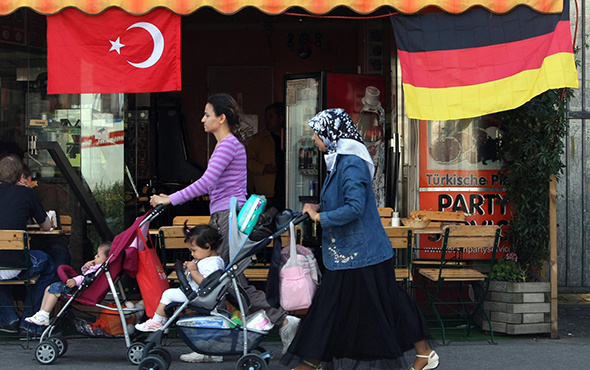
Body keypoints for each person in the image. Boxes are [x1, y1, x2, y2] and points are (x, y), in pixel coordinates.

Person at [282, 108, 439, 370]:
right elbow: (343, 201)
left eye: (317, 132)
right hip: (354, 251)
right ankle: (313, 361)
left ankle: (311, 362)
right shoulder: (340, 160)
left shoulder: (350, 163)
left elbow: (355, 208)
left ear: (332, 133)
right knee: (364, 302)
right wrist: (319, 207)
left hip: (361, 251)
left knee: (358, 303)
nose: (313, 138)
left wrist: (322, 218)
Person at [150, 93, 299, 363]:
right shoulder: (227, 145)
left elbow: (206, 183)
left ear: (221, 118)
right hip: (224, 219)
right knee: (219, 281)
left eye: (207, 114)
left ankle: (281, 322)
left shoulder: (228, 145)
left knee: (223, 280)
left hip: (227, 220)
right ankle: (212, 344)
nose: (202, 119)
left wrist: (170, 199)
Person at [0, 154, 56, 336]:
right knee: (47, 263)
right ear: (19, 176)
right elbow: (47, 226)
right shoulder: (26, 193)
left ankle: (9, 319)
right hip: (17, 265)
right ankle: (29, 322)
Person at [136, 224, 225, 334]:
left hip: (199, 295)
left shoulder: (214, 263)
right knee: (169, 294)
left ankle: (157, 321)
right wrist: (188, 270)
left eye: (194, 250)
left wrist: (193, 271)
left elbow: (205, 283)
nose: (192, 254)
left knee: (168, 294)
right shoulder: (205, 258)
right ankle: (162, 322)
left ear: (207, 246)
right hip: (195, 292)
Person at [23, 242, 111, 327]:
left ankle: (45, 313)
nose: (95, 256)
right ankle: (42, 314)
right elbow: (86, 274)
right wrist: (85, 267)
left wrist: (75, 281)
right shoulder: (97, 268)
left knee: (54, 288)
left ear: (105, 260)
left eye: (98, 256)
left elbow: (87, 279)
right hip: (81, 287)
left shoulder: (100, 270)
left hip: (80, 291)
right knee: (49, 288)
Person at [17, 163, 71, 282]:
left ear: (29, 179)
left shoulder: (46, 190)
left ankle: (55, 294)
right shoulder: (10, 194)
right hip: (21, 243)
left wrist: (24, 195)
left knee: (60, 255)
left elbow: (44, 220)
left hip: (48, 240)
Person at [247, 102, 286, 211]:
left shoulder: (289, 136)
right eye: (266, 117)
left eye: (271, 117)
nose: (267, 120)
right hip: (267, 191)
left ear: (281, 118)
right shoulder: (258, 139)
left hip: (286, 188)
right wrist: (263, 168)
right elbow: (248, 162)